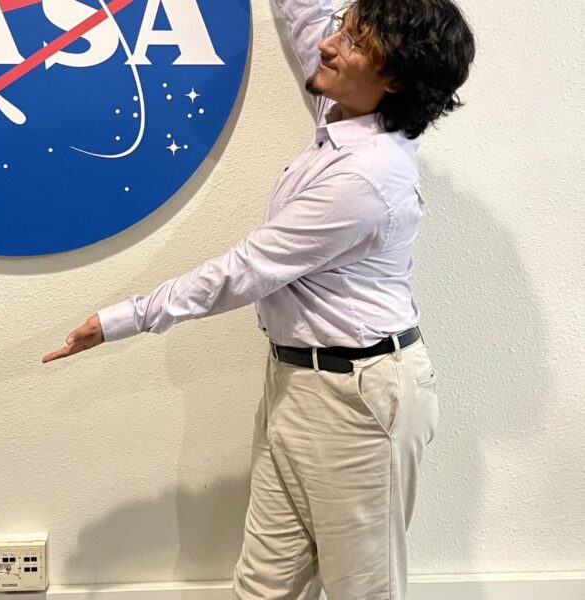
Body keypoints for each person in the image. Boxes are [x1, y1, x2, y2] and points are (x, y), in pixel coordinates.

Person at [43, 0, 475, 597]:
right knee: (264, 586)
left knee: (363, 589)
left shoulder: (365, 179)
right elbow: (307, 22)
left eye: (351, 43)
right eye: (342, 29)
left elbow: (245, 271)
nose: (330, 45)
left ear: (394, 79)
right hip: (296, 383)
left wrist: (125, 318)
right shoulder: (346, 112)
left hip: (359, 401)